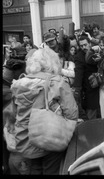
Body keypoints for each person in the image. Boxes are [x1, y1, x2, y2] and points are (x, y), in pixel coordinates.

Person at [3, 45, 78, 175]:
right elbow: (72, 114)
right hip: (49, 137)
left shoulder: (19, 83)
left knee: (34, 170)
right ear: (53, 63)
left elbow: (13, 114)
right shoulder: (57, 82)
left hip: (25, 140)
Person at [73, 34, 99, 120]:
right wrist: (77, 89)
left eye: (85, 45)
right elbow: (78, 73)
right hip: (89, 89)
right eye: (81, 46)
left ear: (89, 44)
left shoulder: (96, 51)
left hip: (102, 86)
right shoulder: (79, 57)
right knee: (91, 115)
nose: (84, 47)